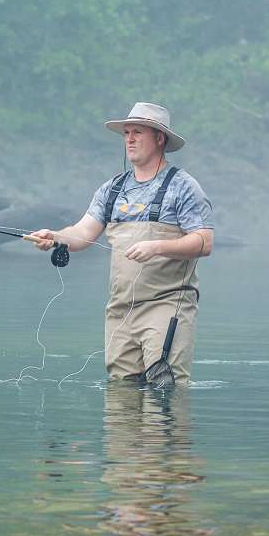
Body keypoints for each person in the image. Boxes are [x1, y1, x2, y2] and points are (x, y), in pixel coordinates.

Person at [30, 103, 213, 384]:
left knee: (163, 393)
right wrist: (54, 237)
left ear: (159, 138)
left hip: (167, 306)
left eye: (138, 132)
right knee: (121, 401)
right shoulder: (111, 189)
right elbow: (82, 233)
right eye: (126, 133)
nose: (129, 139)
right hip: (120, 311)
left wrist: (156, 246)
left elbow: (204, 242)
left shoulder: (183, 186)